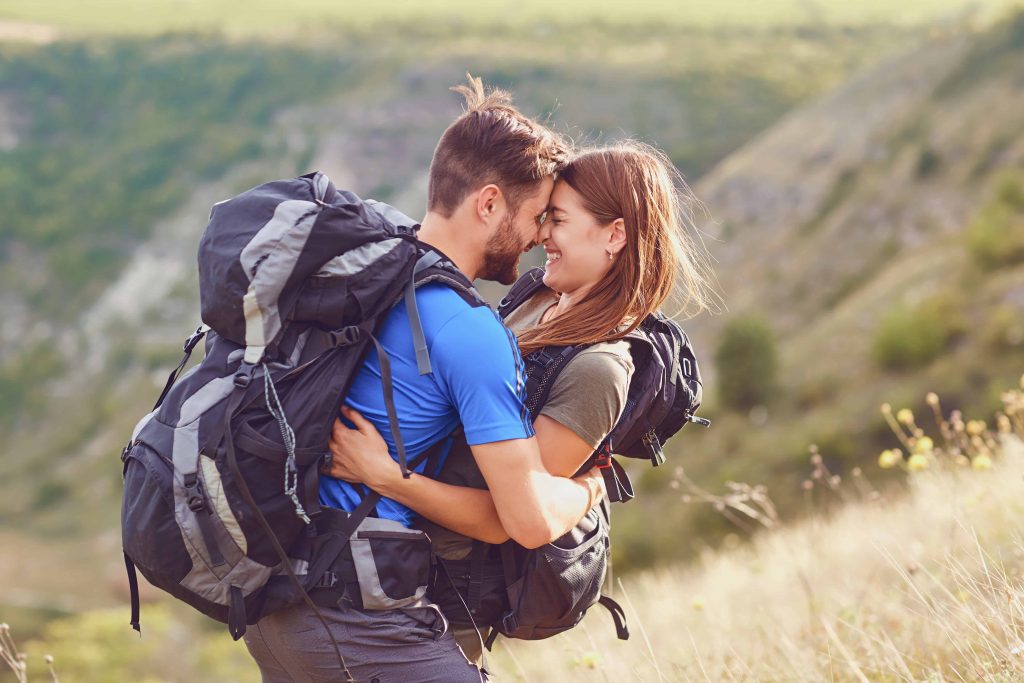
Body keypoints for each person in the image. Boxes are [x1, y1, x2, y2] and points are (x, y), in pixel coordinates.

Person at [243, 77, 609, 683]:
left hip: (276, 600)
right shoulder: (469, 332)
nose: (542, 235)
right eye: (537, 216)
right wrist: (592, 490)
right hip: (358, 618)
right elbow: (524, 522)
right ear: (488, 204)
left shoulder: (368, 274)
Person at [327, 139, 718, 663]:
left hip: (443, 594)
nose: (541, 236)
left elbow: (510, 519)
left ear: (615, 234)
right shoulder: (538, 299)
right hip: (386, 555)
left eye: (556, 219)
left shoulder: (599, 370)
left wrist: (385, 476)